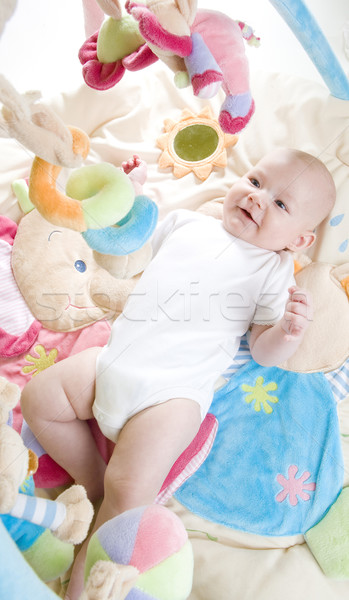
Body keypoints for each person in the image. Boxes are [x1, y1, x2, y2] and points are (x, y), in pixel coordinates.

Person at [21, 148, 336, 599]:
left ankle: (83, 584)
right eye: (254, 181)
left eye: (280, 204)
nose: (257, 199)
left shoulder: (272, 269)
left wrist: (288, 331)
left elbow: (265, 353)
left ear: (299, 241)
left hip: (171, 395)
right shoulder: (189, 222)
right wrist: (133, 195)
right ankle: (91, 480)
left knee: (128, 493)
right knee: (39, 399)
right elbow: (132, 247)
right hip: (114, 360)